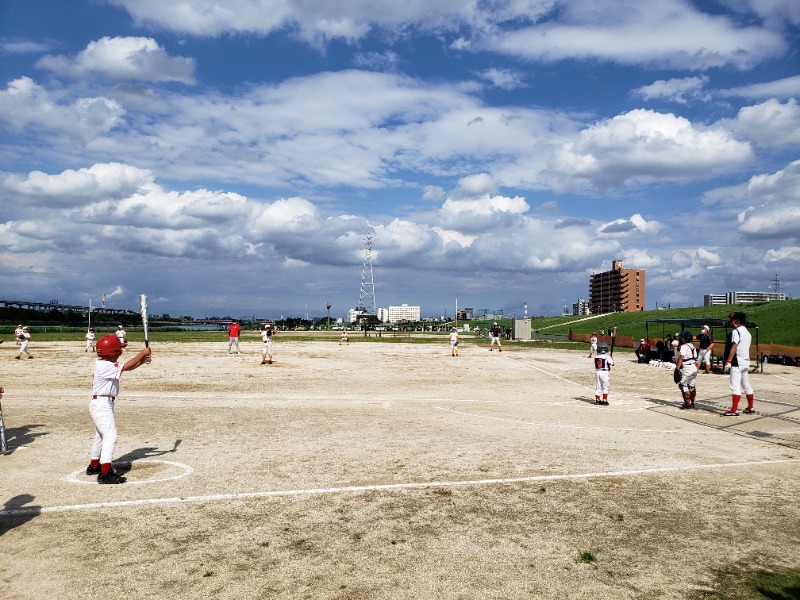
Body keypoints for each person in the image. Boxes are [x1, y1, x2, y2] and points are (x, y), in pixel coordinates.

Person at [86, 334, 151, 484]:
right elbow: (126, 366)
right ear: (114, 351)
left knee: (101, 436)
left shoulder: (103, 363)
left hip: (101, 403)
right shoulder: (105, 366)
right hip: (102, 404)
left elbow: (125, 369)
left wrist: (141, 361)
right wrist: (142, 353)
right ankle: (105, 473)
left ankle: (94, 465)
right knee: (110, 436)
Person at [723, 312, 755, 416]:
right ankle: (750, 407)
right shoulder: (748, 333)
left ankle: (734, 410)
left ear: (738, 321)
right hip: (746, 361)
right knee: (746, 385)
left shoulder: (736, 331)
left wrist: (728, 361)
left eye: (733, 320)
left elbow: (734, 346)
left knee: (735, 386)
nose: (731, 322)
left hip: (737, 361)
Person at [675, 331, 698, 409]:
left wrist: (677, 368)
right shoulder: (693, 346)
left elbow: (681, 357)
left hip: (687, 367)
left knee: (683, 385)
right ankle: (692, 402)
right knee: (691, 386)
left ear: (684, 339)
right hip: (694, 367)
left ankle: (688, 403)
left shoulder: (684, 346)